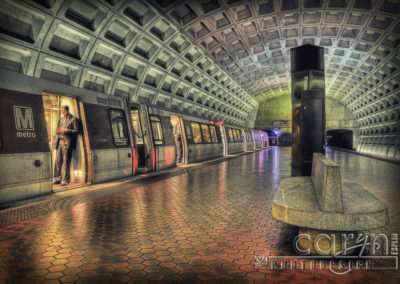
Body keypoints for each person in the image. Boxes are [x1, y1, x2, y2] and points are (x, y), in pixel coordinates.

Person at [53, 105, 79, 186]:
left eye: (64, 111)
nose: (63, 113)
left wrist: (66, 130)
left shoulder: (74, 119)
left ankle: (66, 180)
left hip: (67, 143)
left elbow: (76, 131)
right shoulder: (61, 119)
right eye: (62, 111)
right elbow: (57, 130)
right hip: (60, 142)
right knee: (57, 161)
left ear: (68, 110)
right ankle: (57, 178)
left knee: (66, 162)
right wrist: (58, 131)